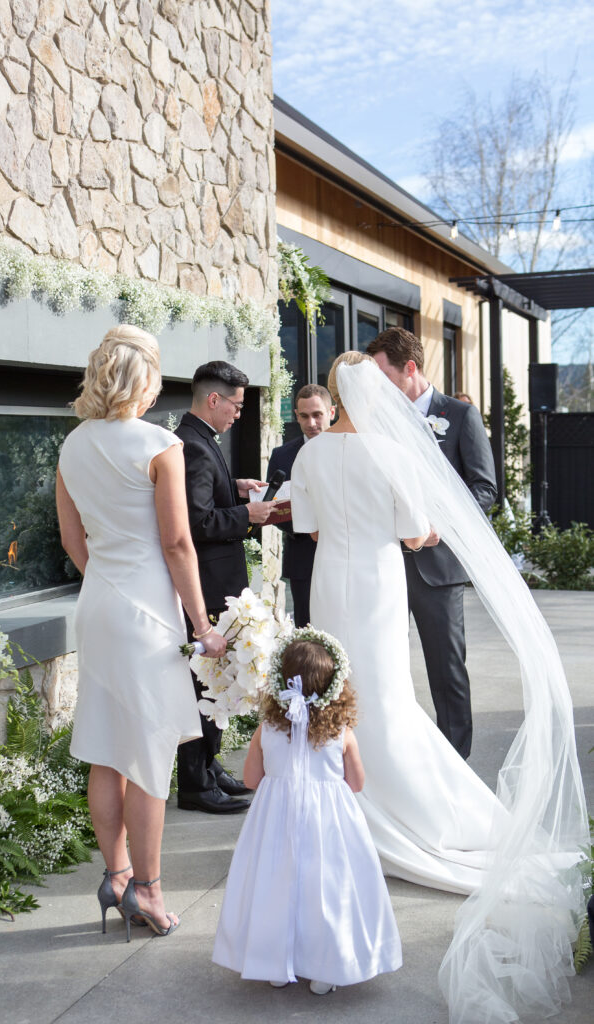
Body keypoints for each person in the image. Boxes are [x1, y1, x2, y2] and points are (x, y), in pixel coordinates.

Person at [291, 350, 587, 1022]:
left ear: (330, 395)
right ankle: (409, 805)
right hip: (375, 577)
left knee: (339, 692)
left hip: (328, 581)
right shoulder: (389, 454)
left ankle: (352, 801)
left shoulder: (307, 457)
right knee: (387, 694)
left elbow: (305, 528)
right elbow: (413, 531)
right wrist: (420, 529)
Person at [57, 325, 227, 940]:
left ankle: (118, 876)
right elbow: (178, 541)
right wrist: (203, 625)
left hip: (100, 604)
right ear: (146, 381)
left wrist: (108, 581)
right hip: (147, 614)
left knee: (108, 749)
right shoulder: (161, 443)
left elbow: (73, 541)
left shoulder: (72, 446)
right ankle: (150, 894)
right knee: (150, 754)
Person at [212, 631, 402, 994]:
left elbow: (251, 779)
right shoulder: (342, 734)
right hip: (328, 823)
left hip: (275, 821)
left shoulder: (266, 729)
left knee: (275, 882)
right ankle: (327, 967)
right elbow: (357, 784)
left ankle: (274, 962)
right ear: (335, 686)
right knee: (327, 887)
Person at [366, 328, 496, 758]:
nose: (378, 386)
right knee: (384, 663)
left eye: (383, 374)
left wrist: (440, 521)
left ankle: (456, 760)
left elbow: (485, 489)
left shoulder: (459, 416)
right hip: (382, 559)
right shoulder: (376, 418)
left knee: (446, 669)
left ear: (410, 368)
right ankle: (395, 757)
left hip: (437, 568)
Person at [175, 360, 276, 813]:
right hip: (210, 584)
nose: (239, 413)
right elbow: (195, 522)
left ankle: (209, 764)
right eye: (235, 404)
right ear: (212, 399)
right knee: (206, 681)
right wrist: (247, 515)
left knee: (214, 679)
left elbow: (204, 497)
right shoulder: (193, 446)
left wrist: (233, 489)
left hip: (217, 579)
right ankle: (195, 783)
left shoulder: (200, 439)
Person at [267, 384, 335, 626]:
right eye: (304, 416)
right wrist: (310, 526)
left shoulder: (350, 449)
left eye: (318, 415)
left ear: (332, 412)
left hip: (345, 554)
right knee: (307, 630)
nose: (312, 423)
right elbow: (276, 509)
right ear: (296, 415)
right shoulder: (281, 455)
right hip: (303, 558)